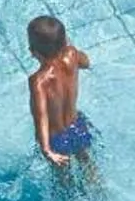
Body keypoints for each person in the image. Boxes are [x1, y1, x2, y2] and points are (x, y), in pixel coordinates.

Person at [27, 14, 95, 177]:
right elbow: (86, 62)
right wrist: (69, 47)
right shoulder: (72, 55)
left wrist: (47, 150)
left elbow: (41, 116)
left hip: (56, 137)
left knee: (63, 180)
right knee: (88, 165)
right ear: (64, 42)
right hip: (77, 126)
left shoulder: (38, 80)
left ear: (33, 52)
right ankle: (101, 194)